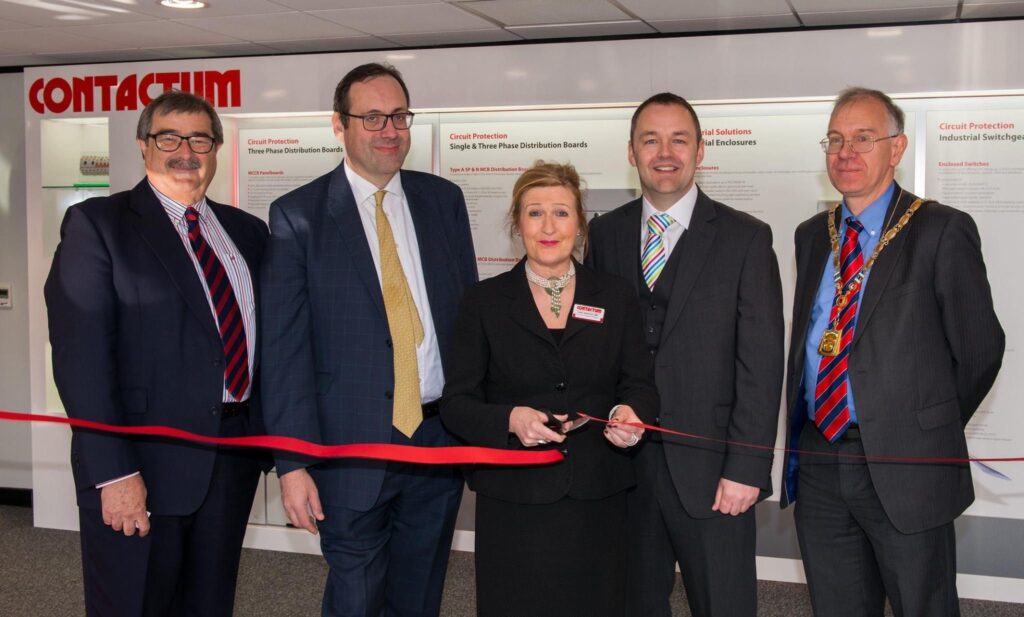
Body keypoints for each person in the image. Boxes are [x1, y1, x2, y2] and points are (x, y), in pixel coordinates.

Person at [260, 62, 477, 617]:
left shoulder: (443, 201)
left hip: (436, 441)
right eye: (373, 117)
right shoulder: (298, 216)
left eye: (399, 116)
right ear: (339, 125)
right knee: (356, 599)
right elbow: (283, 352)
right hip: (347, 450)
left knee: (419, 597)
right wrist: (292, 464)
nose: (389, 130)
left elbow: (469, 323)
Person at [780, 87, 1004, 617]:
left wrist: (925, 425)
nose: (846, 153)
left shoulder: (940, 229)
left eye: (863, 138)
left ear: (897, 148)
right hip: (820, 459)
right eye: (835, 140)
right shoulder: (813, 235)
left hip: (906, 465)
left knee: (922, 604)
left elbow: (980, 350)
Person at [44, 90, 269, 617]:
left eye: (200, 139)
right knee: (135, 604)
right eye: (169, 138)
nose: (185, 151)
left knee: (210, 603)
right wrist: (114, 473)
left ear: (216, 149)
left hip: (232, 457)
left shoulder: (247, 232)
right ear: (144, 145)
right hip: (141, 463)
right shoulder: (98, 225)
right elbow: (81, 360)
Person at [586, 92, 785, 617]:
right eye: (650, 140)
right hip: (625, 470)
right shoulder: (605, 233)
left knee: (723, 605)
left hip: (714, 472)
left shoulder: (746, 238)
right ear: (631, 152)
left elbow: (762, 364)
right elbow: (595, 349)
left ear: (700, 150)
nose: (665, 152)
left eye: (679, 140)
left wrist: (747, 468)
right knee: (632, 604)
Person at [441, 160, 658, 616]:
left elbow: (639, 384)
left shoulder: (615, 295)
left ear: (579, 223)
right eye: (534, 212)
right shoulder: (484, 301)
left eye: (561, 212)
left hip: (597, 494)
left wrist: (630, 415)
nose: (548, 226)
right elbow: (456, 404)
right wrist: (510, 419)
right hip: (514, 497)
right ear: (517, 223)